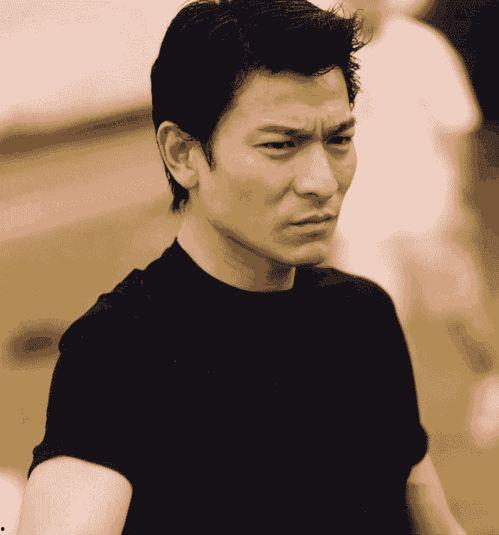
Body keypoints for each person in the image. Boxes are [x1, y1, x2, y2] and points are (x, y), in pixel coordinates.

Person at [18, 1, 466, 532]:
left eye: (339, 140)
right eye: (281, 145)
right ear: (182, 154)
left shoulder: (363, 317)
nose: (322, 182)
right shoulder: (121, 354)